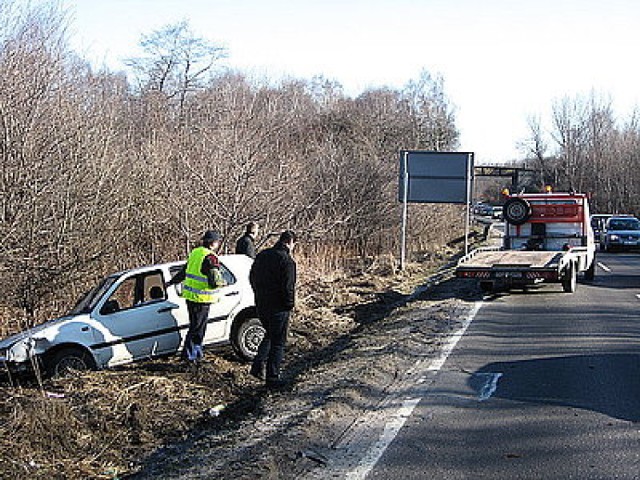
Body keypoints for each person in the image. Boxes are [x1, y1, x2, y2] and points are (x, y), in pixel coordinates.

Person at [166, 230, 225, 362]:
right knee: (198, 329)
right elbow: (215, 281)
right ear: (213, 243)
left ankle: (196, 354)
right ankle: (189, 356)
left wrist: (171, 282)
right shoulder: (211, 257)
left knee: (195, 327)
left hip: (191, 297)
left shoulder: (195, 253)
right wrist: (222, 282)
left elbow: (184, 272)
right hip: (202, 299)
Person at [249, 230, 297, 388]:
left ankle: (257, 365)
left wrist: (258, 293)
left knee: (270, 334)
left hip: (261, 304)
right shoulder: (287, 261)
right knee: (278, 342)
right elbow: (288, 287)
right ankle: (272, 377)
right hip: (279, 306)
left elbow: (251, 276)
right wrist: (289, 304)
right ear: (290, 243)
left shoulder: (262, 255)